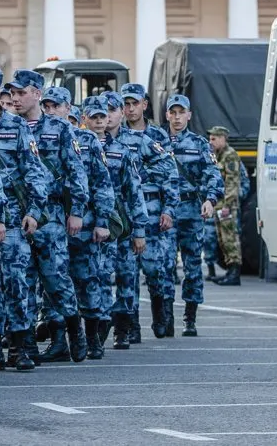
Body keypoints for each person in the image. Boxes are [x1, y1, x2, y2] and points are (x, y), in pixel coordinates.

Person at [0, 65, 50, 372]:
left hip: (12, 217)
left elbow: (35, 173)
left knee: (17, 281)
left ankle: (22, 345)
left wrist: (34, 211)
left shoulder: (17, 128)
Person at [8, 69, 89, 363]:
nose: (15, 98)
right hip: (16, 213)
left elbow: (76, 171)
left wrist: (77, 211)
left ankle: (71, 330)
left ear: (37, 94)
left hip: (52, 215)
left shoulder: (59, 129)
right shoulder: (10, 127)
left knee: (55, 279)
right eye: (12, 93)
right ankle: (26, 347)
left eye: (21, 92)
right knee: (21, 280)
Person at [45, 85, 114, 359]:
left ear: (68, 108)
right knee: (54, 282)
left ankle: (94, 337)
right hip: (52, 223)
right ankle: (58, 340)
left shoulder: (87, 140)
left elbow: (101, 184)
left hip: (83, 225)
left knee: (87, 280)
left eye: (56, 106)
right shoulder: (39, 138)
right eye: (47, 106)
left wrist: (102, 221)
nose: (51, 111)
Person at [82, 95, 150, 350]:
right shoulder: (79, 146)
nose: (103, 119)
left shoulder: (121, 150)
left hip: (118, 222)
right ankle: (97, 328)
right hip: (89, 222)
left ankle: (122, 328)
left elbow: (135, 192)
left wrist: (139, 230)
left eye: (107, 114)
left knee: (124, 275)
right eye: (97, 115)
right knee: (95, 276)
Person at [117, 84, 179, 339]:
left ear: (144, 104)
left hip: (154, 209)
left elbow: (170, 174)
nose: (130, 109)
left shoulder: (158, 136)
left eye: (134, 103)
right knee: (128, 270)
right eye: (126, 104)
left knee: (156, 268)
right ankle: (131, 325)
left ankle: (162, 315)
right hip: (128, 211)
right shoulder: (115, 136)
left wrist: (169, 209)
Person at [163, 96, 223, 336]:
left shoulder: (199, 143)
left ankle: (190, 317)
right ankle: (165, 317)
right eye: (173, 112)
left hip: (190, 211)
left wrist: (210, 199)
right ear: (167, 114)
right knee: (164, 265)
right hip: (164, 212)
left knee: (192, 265)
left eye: (181, 112)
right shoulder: (157, 140)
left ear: (189, 115)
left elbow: (213, 174)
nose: (177, 117)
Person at [208, 126, 244, 287]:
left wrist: (227, 205)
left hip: (227, 206)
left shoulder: (230, 156)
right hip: (220, 204)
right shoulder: (217, 156)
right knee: (222, 239)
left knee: (230, 238)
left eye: (214, 138)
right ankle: (230, 271)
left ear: (223, 138)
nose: (211, 141)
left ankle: (235, 272)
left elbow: (232, 183)